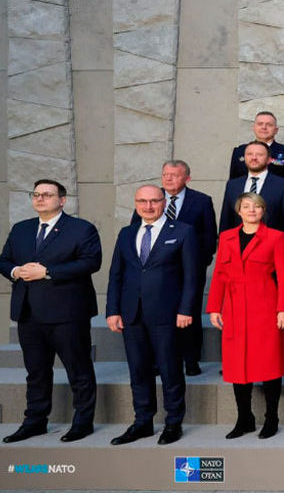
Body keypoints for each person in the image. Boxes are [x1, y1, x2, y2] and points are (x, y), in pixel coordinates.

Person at [0, 180, 103, 444]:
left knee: (78, 370)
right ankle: (35, 421)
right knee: (36, 372)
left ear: (62, 200)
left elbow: (91, 262)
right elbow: (4, 260)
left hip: (67, 314)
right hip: (28, 313)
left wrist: (47, 272)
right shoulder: (21, 228)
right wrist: (16, 271)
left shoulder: (81, 228)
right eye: (36, 194)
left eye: (47, 194)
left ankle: (82, 423)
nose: (40, 198)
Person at [106, 185, 200, 446]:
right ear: (136, 203)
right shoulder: (126, 233)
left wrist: (185, 309)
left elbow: (192, 277)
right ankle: (143, 422)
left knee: (170, 370)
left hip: (167, 314)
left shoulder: (182, 231)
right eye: (142, 201)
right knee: (138, 371)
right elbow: (116, 275)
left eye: (154, 201)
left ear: (163, 202)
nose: (148, 206)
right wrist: (113, 310)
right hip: (132, 313)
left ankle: (173, 423)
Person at [206, 192, 284, 440]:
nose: (252, 210)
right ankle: (245, 418)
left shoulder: (275, 237)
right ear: (239, 211)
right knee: (237, 365)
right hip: (233, 309)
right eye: (246, 206)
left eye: (257, 206)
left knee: (269, 364)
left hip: (264, 306)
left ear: (263, 211)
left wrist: (283, 308)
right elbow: (220, 274)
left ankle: (271, 418)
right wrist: (214, 307)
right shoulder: (226, 237)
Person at [133, 160, 217, 376]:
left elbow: (209, 238)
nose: (168, 179)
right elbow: (137, 231)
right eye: (165, 175)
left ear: (187, 178)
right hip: (156, 272)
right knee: (156, 316)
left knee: (189, 314)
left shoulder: (201, 201)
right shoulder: (151, 199)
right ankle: (158, 362)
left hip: (189, 271)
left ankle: (191, 360)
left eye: (175, 175)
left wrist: (197, 264)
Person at [220, 141, 284, 262]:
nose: (254, 158)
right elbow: (226, 220)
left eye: (259, 154)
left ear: (269, 159)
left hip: (270, 255)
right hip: (237, 253)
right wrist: (223, 253)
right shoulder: (233, 185)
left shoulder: (283, 186)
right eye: (249, 154)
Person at [228, 110, 284, 225]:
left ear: (276, 130)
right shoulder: (239, 151)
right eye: (260, 124)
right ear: (253, 127)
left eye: (269, 124)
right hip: (244, 215)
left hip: (276, 215)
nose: (264, 127)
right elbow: (233, 184)